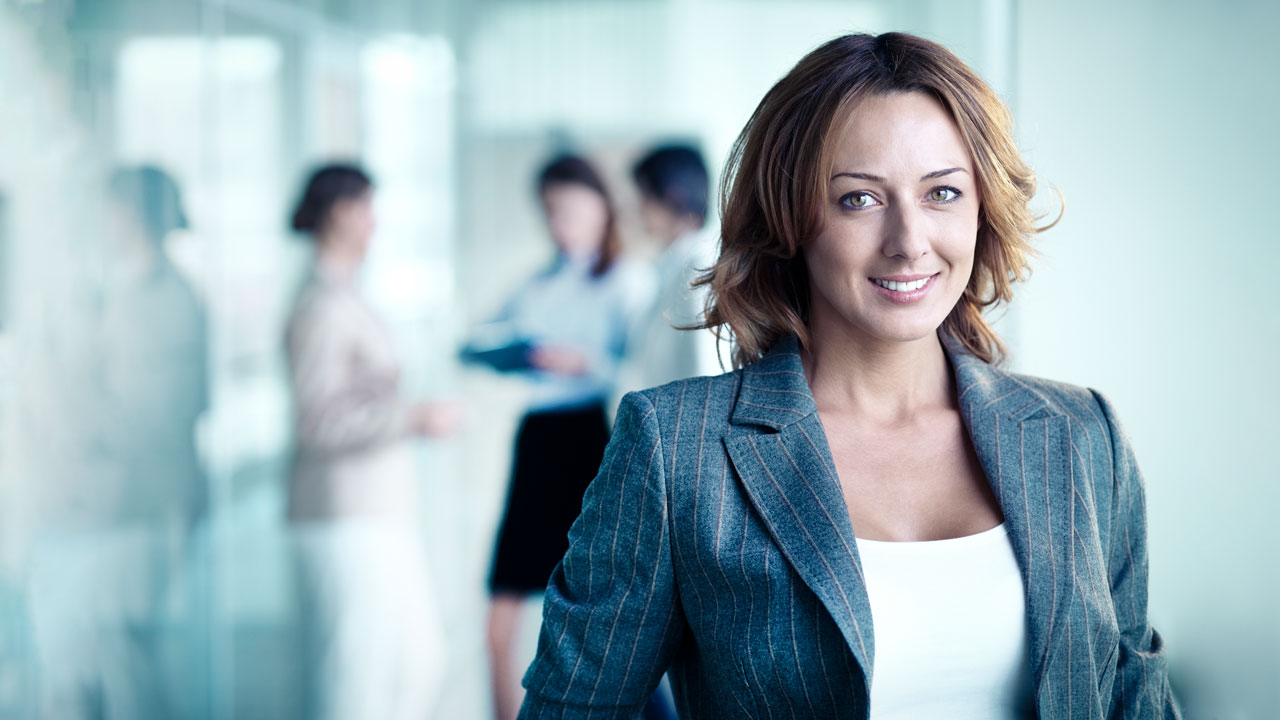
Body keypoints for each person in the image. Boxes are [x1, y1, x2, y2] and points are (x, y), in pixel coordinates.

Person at [518, 33, 1181, 719]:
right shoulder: (677, 450)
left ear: (982, 209)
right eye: (859, 200)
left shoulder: (1080, 434)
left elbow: (1136, 699)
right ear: (790, 217)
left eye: (943, 193)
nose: (909, 241)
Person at [27, 165, 208, 719]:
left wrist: (62, 402)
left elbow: (152, 416)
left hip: (137, 509)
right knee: (97, 659)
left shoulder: (165, 300)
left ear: (129, 215)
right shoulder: (121, 291)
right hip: (110, 508)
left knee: (117, 660)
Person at [475, 154, 648, 720]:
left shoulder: (629, 282)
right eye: (550, 211)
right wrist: (517, 353)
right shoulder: (539, 283)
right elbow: (476, 340)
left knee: (603, 614)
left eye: (570, 209)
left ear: (603, 207)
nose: (559, 223)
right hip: (539, 441)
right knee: (500, 617)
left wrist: (584, 364)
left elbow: (643, 375)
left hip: (596, 444)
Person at [285, 163, 458, 720]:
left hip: (379, 512)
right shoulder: (319, 307)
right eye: (366, 208)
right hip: (344, 515)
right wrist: (412, 418)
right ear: (338, 213)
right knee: (356, 675)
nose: (374, 223)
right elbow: (316, 422)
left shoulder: (347, 297)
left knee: (419, 662)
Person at [621, 143, 719, 392]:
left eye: (643, 197)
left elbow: (704, 368)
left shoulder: (700, 266)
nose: (637, 210)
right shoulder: (672, 266)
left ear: (674, 196)